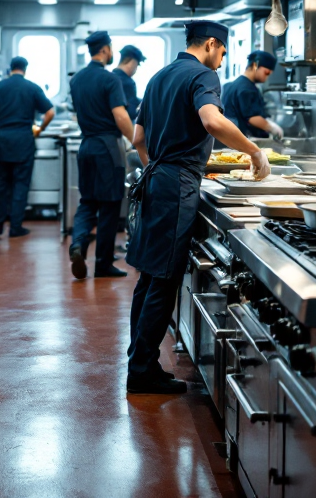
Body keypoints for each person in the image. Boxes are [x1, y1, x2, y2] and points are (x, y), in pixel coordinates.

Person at [125, 21, 271, 394]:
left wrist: (157, 167)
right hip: (176, 186)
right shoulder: (203, 75)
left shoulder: (159, 76)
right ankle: (142, 371)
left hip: (157, 180)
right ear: (210, 44)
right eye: (222, 52)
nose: (222, 61)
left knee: (148, 276)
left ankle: (139, 359)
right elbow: (211, 120)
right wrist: (253, 150)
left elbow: (138, 138)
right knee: (164, 279)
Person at [67, 30, 135, 280]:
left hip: (86, 147)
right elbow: (120, 116)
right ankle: (103, 263)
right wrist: (137, 142)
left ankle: (78, 245)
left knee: (88, 201)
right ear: (105, 50)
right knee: (109, 206)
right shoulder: (110, 79)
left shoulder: (76, 80)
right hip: (108, 148)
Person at [0, 56, 55, 239]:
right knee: (20, 185)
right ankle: (15, 227)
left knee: (0, 185)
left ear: (11, 68)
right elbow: (50, 112)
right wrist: (39, 129)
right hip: (23, 140)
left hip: (2, 140)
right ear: (25, 68)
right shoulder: (31, 87)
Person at [221, 50, 283, 140]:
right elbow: (252, 118)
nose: (267, 78)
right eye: (266, 73)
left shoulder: (234, 84)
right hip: (239, 139)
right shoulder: (246, 89)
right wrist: (272, 127)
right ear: (255, 66)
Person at [113, 44, 146, 121]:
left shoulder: (111, 77)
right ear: (133, 62)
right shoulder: (128, 82)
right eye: (137, 64)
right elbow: (131, 111)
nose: (136, 68)